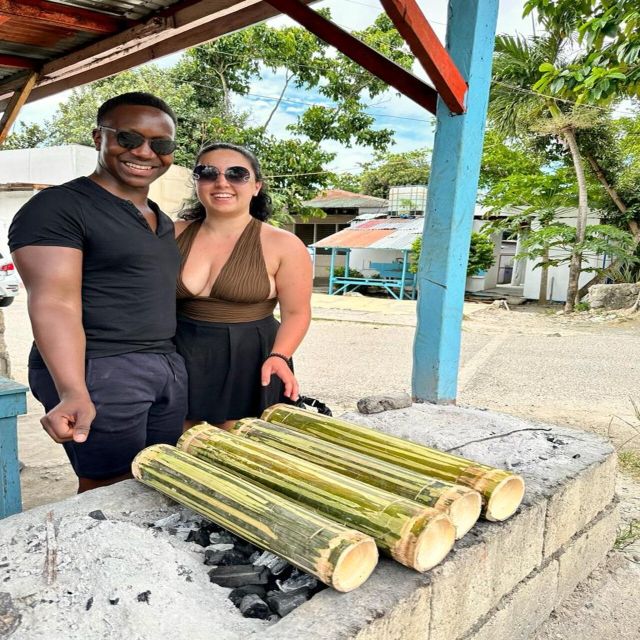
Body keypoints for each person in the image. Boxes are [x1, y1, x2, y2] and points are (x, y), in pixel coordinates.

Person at [9, 92, 188, 493]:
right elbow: (54, 301)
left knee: (157, 480)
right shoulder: (58, 207)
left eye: (161, 145)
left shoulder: (160, 219)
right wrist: (73, 389)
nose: (145, 152)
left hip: (164, 364)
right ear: (98, 137)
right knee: (110, 487)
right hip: (101, 367)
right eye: (128, 138)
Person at [174, 142, 312, 431]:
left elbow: (297, 313)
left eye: (237, 174)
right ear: (197, 182)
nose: (222, 182)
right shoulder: (170, 233)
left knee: (233, 448)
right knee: (176, 445)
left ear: (256, 186)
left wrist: (279, 356)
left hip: (249, 358)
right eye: (208, 172)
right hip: (178, 351)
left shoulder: (283, 244)